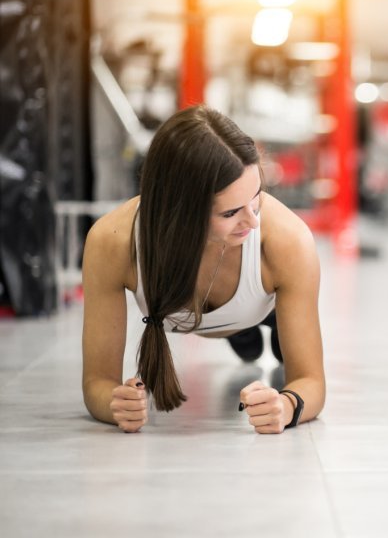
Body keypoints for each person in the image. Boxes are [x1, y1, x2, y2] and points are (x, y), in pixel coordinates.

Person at [82, 105, 325, 434]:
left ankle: (251, 329)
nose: (254, 222)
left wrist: (286, 406)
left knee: (280, 345)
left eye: (256, 198)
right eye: (230, 213)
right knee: (244, 335)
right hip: (202, 309)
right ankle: (243, 334)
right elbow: (97, 383)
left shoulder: (286, 240)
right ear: (181, 213)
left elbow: (311, 383)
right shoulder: (113, 243)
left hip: (259, 307)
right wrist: (116, 404)